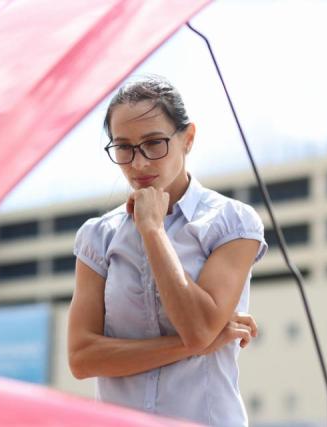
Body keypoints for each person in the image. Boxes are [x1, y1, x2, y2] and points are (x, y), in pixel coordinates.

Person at [67, 75, 268, 426]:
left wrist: (152, 230)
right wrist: (193, 346)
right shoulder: (98, 236)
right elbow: (83, 357)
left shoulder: (231, 222)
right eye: (124, 147)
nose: (139, 163)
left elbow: (198, 327)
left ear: (187, 138)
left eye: (154, 143)